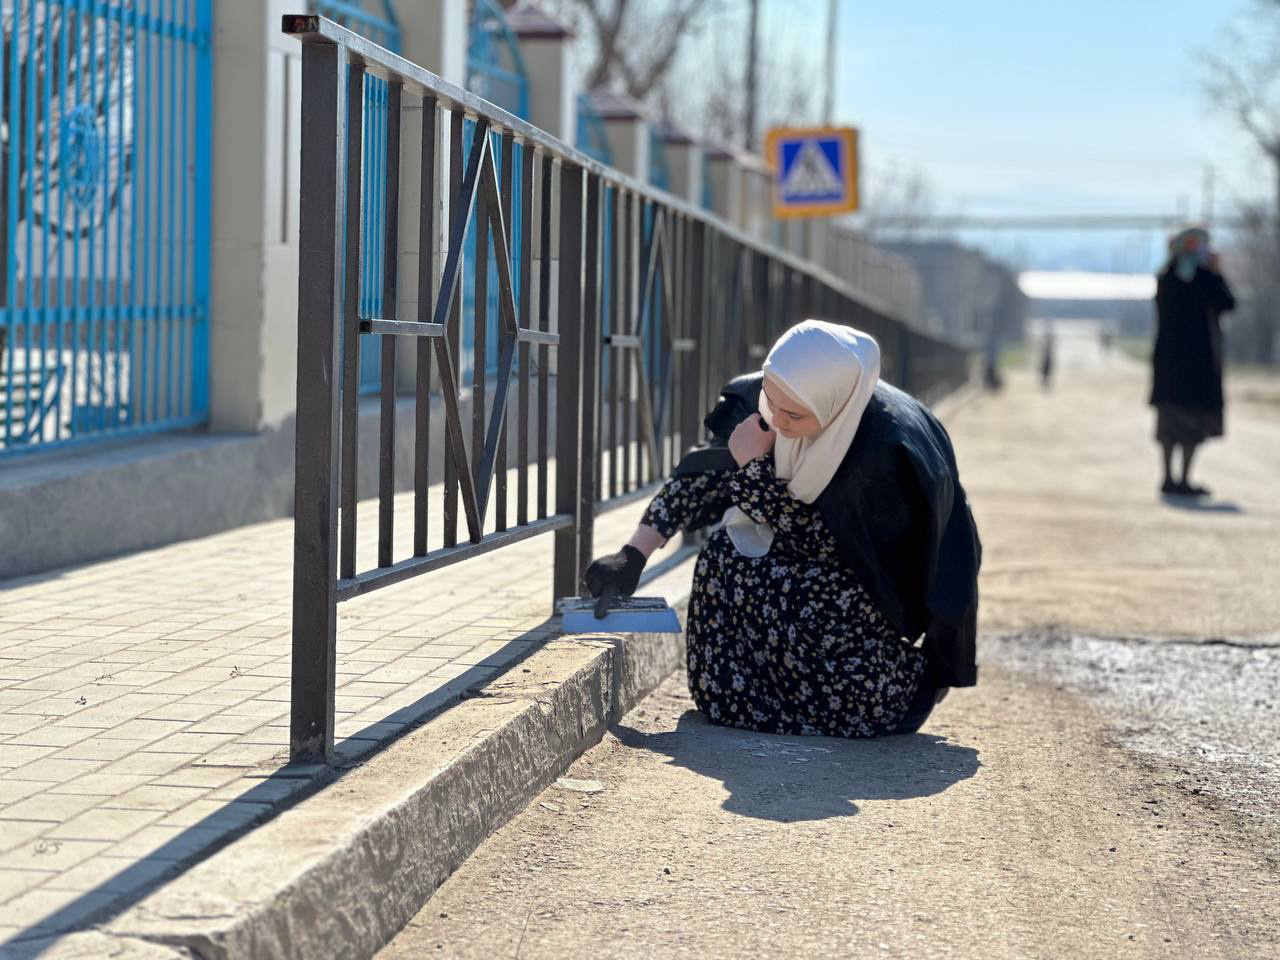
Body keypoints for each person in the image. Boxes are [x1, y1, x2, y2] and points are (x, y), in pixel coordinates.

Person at [583, 320, 982, 739]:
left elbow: (818, 540)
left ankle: (894, 690)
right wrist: (634, 554)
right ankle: (732, 694)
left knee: (803, 591)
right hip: (805, 560)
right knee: (723, 556)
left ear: (834, 407)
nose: (778, 420)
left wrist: (753, 468)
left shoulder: (883, 453)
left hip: (864, 589)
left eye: (794, 415)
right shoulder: (770, 397)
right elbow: (700, 475)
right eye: (771, 403)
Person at [1151, 227, 1236, 497]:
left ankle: (1169, 478)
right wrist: (1216, 271)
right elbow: (1228, 303)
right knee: (1191, 422)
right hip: (1199, 363)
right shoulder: (1206, 277)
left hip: (1170, 362)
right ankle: (1183, 479)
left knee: (1170, 420)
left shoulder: (1166, 277)